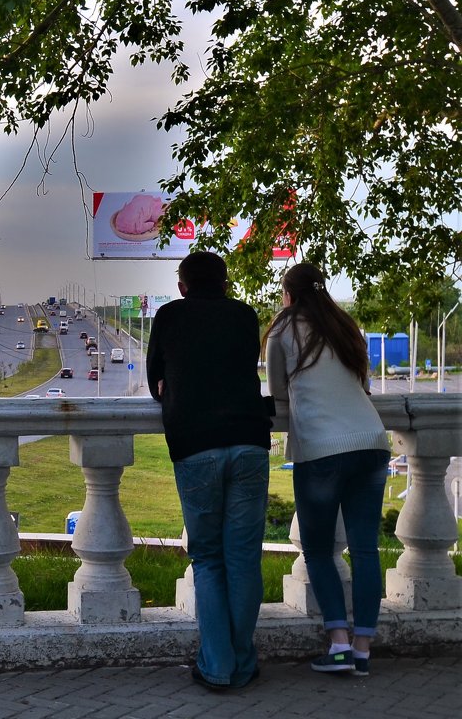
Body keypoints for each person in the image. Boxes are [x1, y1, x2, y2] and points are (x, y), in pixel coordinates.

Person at [146, 251, 273, 690]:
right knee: (243, 558)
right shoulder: (244, 315)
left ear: (182, 286)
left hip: (196, 444)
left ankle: (218, 667)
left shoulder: (167, 315)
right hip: (250, 442)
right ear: (225, 283)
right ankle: (241, 661)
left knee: (208, 558)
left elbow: (154, 380)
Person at [264, 263, 389, 677]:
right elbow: (360, 381)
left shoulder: (283, 329)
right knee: (366, 548)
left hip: (321, 450)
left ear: (289, 294)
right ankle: (363, 649)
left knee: (318, 550)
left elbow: (279, 391)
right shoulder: (345, 325)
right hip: (371, 441)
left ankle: (338, 644)